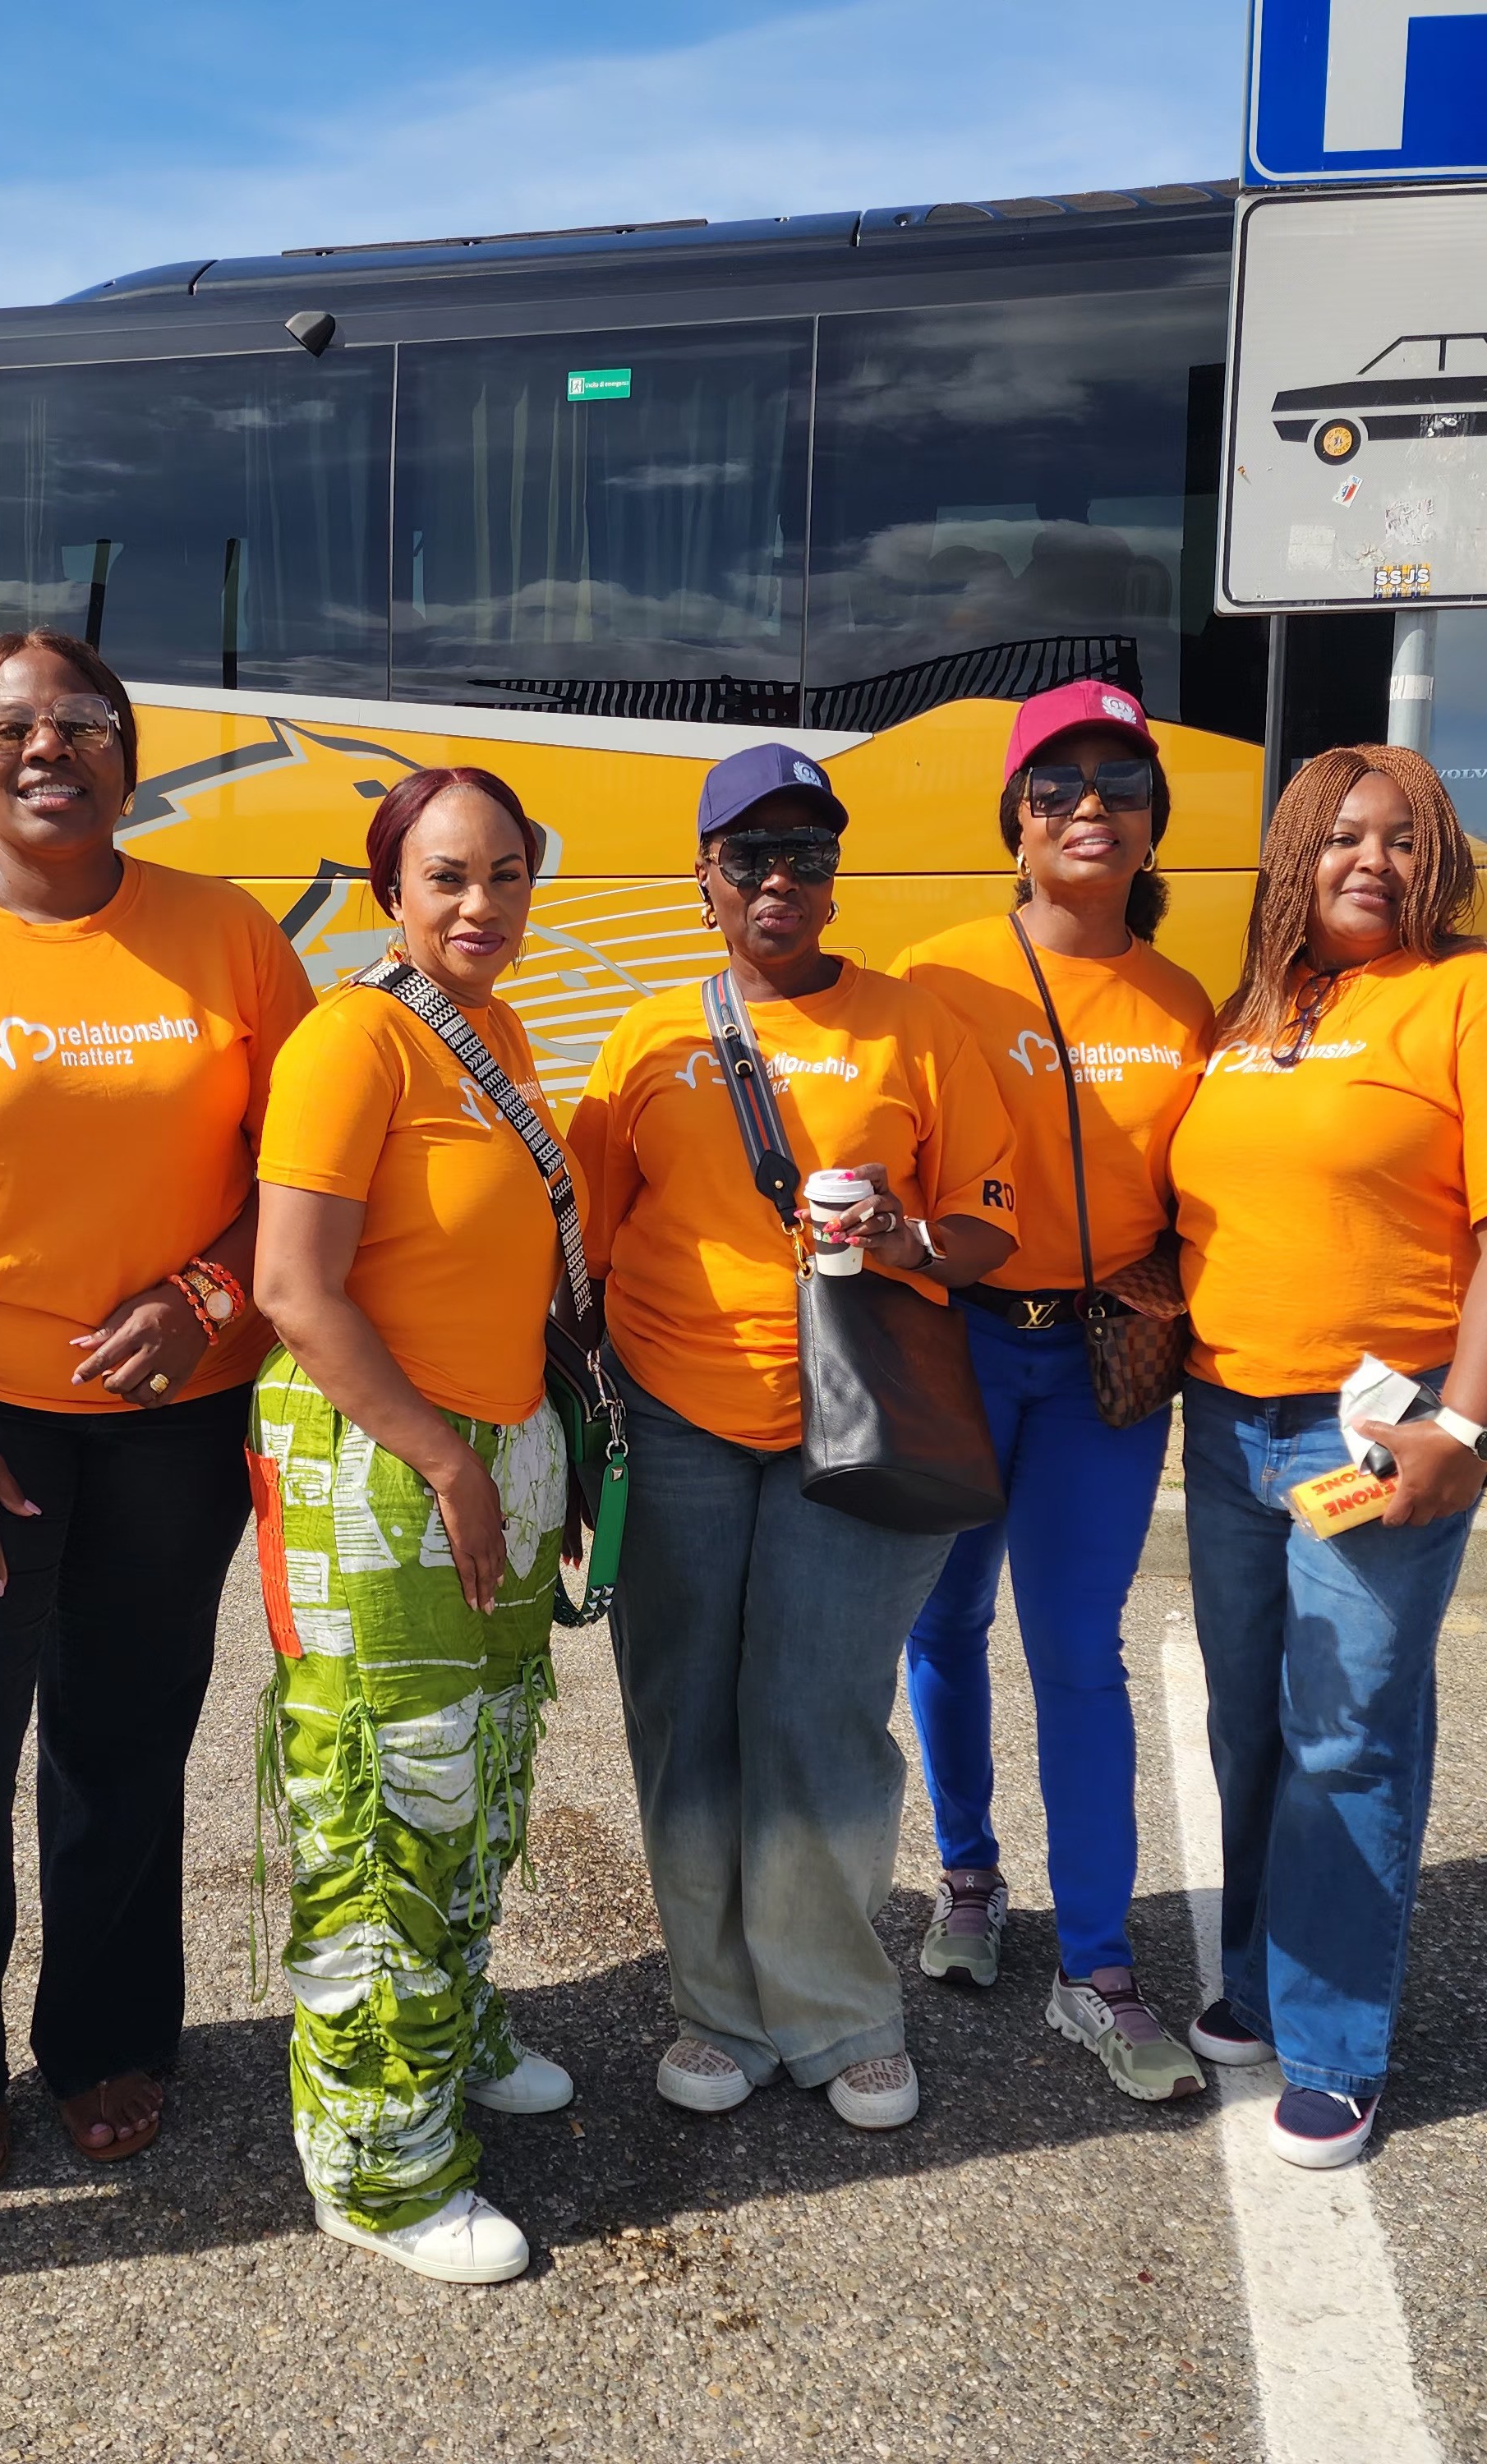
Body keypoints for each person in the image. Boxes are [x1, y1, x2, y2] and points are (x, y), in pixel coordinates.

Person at [0, 627, 315, 2193]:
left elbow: (309, 1176)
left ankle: (104, 2038)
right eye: (10, 727)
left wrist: (208, 1297)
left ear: (128, 760)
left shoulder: (228, 938)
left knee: (125, 1744)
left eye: (84, 721)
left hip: (172, 1425)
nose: (48, 749)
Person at [573, 742, 1019, 2133]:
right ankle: (718, 2007)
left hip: (859, 1421)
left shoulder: (916, 1028)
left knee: (818, 1716)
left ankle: (837, 2012)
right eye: (748, 856)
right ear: (703, 879)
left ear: (835, 880)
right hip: (674, 1417)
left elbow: (990, 1225)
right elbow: (587, 1240)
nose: (778, 878)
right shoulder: (650, 1039)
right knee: (683, 1716)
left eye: (805, 855)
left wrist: (904, 1237)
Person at [1167, 742, 1487, 2171]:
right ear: (1296, 852)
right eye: (1343, 835)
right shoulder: (1250, 1010)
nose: (1373, 861)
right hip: (1226, 1415)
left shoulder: (1478, 996)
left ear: (1439, 859)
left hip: (1375, 1425)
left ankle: (1335, 2045)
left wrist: (1466, 1428)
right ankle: (1255, 1979)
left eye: (1404, 839)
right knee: (1248, 1720)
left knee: (1348, 1733)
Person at [249, 765, 571, 2285]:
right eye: (447, 876)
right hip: (376, 1466)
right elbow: (294, 1288)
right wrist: (446, 1461)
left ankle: (452, 2029)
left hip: (487, 1454)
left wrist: (507, 1458)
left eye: (506, 874)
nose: (480, 903)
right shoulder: (350, 1038)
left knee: (478, 1769)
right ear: (390, 893)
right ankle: (377, 2165)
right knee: (383, 1803)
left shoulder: (494, 1029)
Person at [892, 678, 1213, 2102]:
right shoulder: (936, 974)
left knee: (1078, 1649)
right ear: (1013, 823)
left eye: (1122, 785)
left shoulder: (1183, 998)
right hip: (959, 1342)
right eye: (1058, 786)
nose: (1091, 807)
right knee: (944, 1620)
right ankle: (968, 1876)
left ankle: (1098, 1967)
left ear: (1154, 823)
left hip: (1099, 1366)